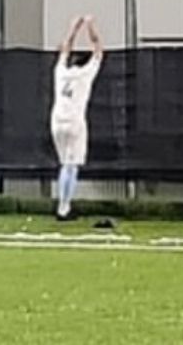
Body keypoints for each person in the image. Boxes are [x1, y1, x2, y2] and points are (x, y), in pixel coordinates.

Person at [51, 15, 104, 221]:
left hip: (57, 121)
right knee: (71, 166)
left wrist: (72, 28)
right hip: (74, 122)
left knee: (65, 163)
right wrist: (91, 26)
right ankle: (64, 207)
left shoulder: (61, 72)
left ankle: (64, 204)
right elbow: (98, 50)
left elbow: (65, 48)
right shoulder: (85, 74)